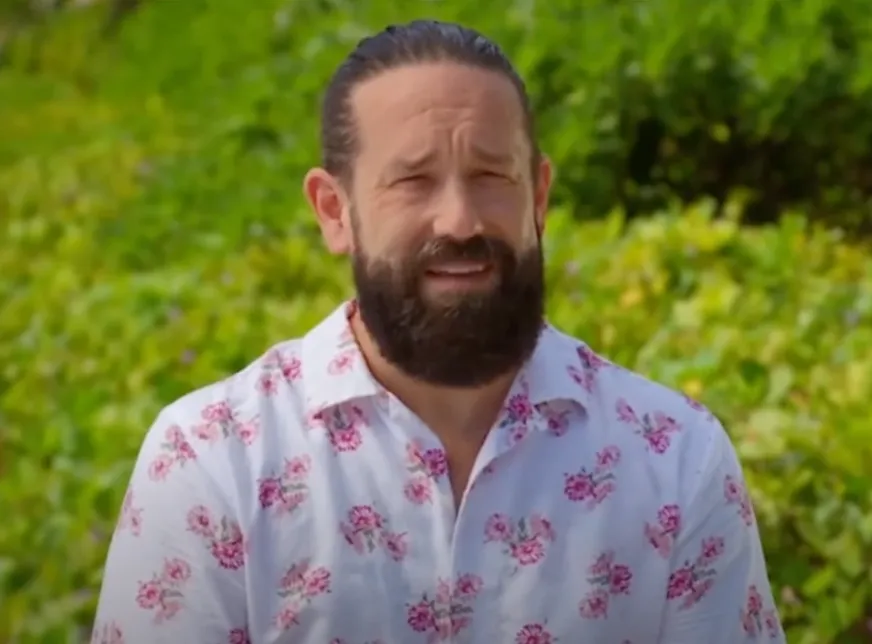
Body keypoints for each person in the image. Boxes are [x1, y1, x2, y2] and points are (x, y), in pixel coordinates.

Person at [90, 19, 786, 644]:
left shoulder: (674, 461)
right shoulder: (213, 462)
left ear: (539, 197)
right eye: (413, 180)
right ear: (334, 211)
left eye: (490, 175)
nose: (459, 220)